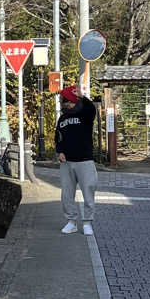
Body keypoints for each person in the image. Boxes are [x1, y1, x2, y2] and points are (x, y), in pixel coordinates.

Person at [54, 84, 97, 235]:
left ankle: (87, 223)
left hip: (85, 160)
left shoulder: (85, 114)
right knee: (66, 194)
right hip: (67, 162)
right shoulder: (62, 118)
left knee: (88, 191)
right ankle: (71, 222)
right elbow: (58, 137)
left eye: (67, 102)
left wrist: (82, 96)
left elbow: (92, 109)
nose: (65, 105)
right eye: (64, 103)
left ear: (73, 100)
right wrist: (59, 151)